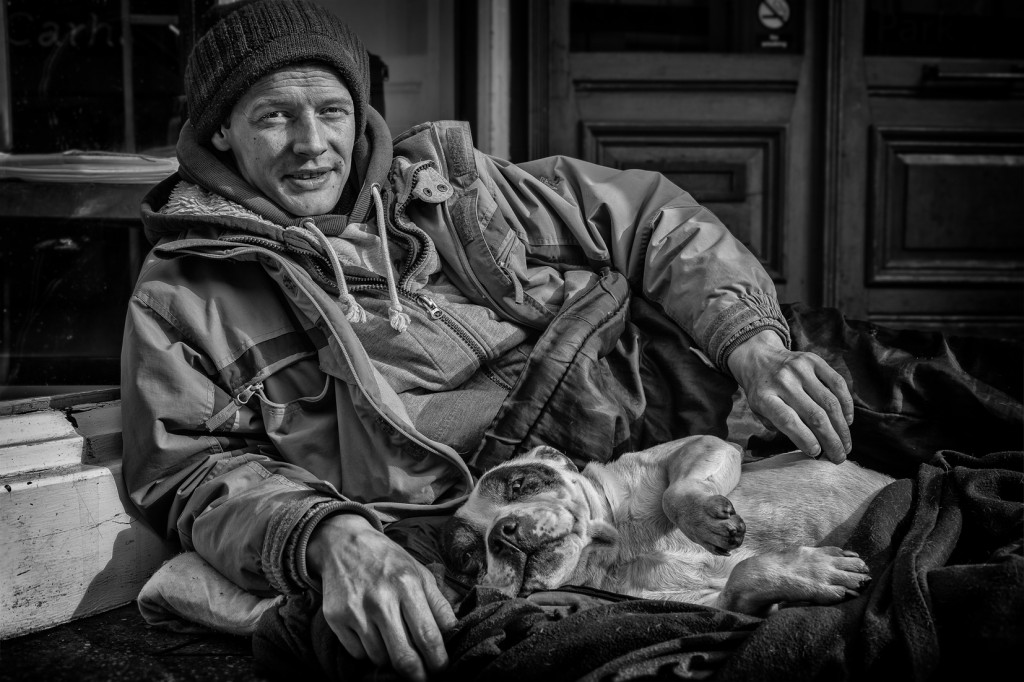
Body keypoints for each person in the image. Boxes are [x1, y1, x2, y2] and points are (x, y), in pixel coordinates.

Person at [119, 1, 1022, 680]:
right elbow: (192, 471)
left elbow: (652, 216)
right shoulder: (184, 295)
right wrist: (328, 536)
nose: (312, 143)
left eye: (331, 110)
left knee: (903, 377)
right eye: (274, 114)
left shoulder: (457, 186)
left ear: (362, 117)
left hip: (653, 366)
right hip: (516, 476)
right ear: (221, 133)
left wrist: (751, 340)